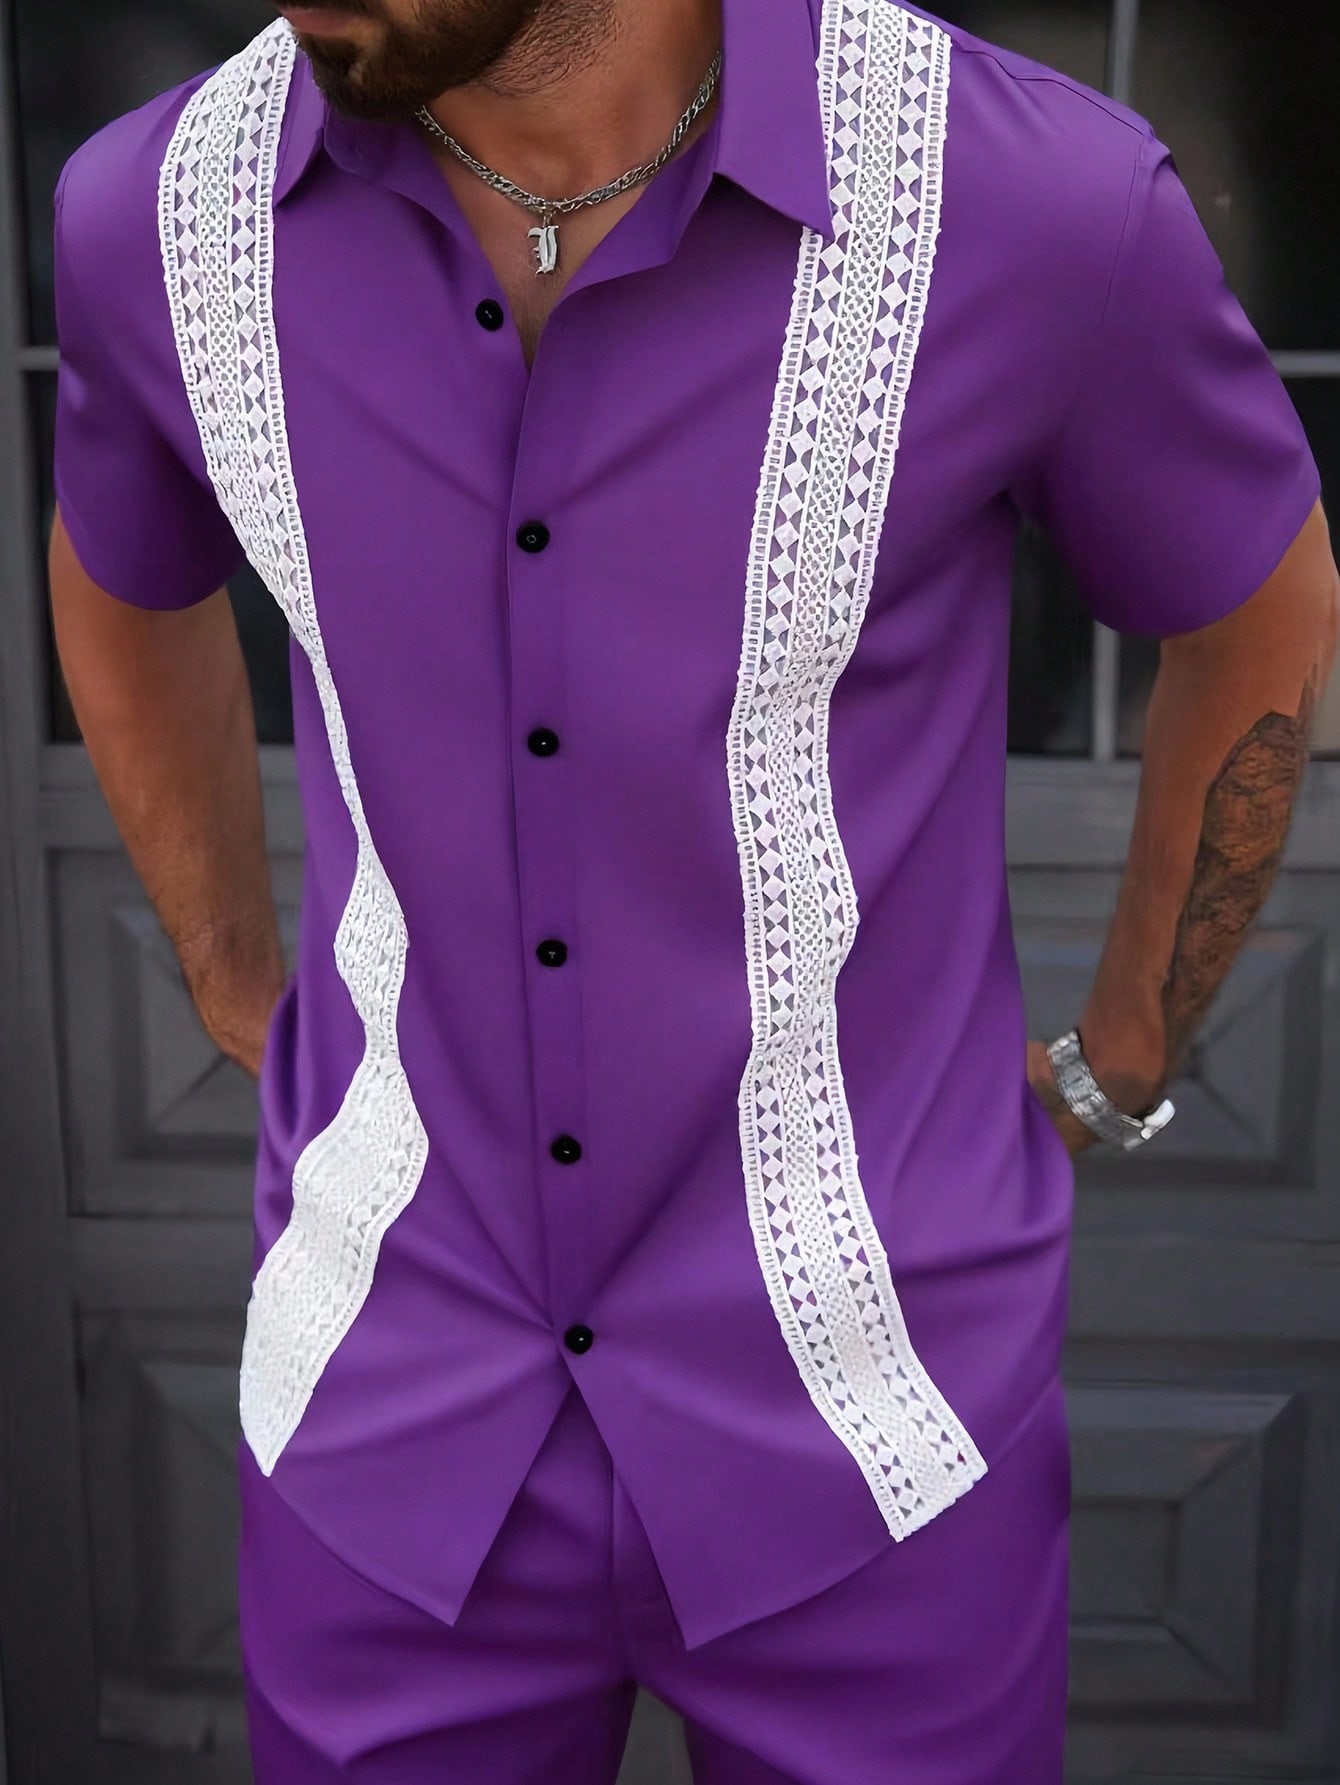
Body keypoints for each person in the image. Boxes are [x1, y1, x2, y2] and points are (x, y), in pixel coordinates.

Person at [46, 0, 1338, 1779]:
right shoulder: (156, 220)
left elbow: (1257, 603)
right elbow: (121, 573)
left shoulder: (1027, 202)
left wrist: (1124, 1051)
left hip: (876, 1415)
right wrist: (224, 965)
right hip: (385, 1404)